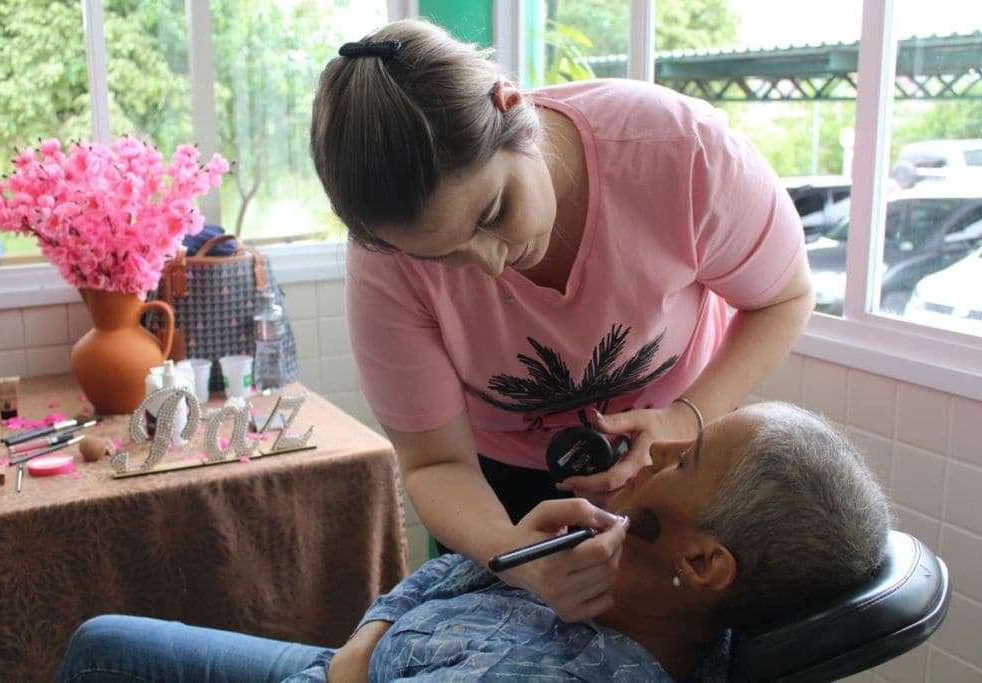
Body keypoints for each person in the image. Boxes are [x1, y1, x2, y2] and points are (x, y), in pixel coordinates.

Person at [309, 18, 815, 622]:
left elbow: (783, 298)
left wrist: (686, 415)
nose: (490, 264)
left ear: (511, 104)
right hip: (496, 494)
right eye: (440, 256)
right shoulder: (383, 263)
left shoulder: (679, 152)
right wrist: (510, 551)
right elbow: (436, 463)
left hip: (673, 465)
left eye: (493, 213)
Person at [56, 402, 892, 682]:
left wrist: (349, 670)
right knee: (103, 639)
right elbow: (444, 571)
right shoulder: (605, 558)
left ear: (705, 560)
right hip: (358, 660)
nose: (660, 442)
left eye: (688, 455)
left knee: (102, 650)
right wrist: (502, 557)